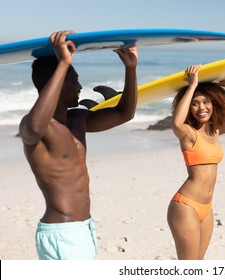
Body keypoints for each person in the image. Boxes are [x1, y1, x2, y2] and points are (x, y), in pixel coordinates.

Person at [18, 30, 138, 260]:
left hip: (84, 227)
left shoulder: (78, 120)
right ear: (57, 82)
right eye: (74, 80)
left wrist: (130, 69)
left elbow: (124, 114)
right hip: (62, 232)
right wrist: (63, 63)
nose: (80, 86)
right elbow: (34, 127)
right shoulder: (35, 128)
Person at [167, 64, 225, 259]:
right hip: (186, 206)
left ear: (214, 104)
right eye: (195, 103)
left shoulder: (215, 131)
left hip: (207, 208)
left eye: (206, 102)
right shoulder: (188, 133)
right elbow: (176, 123)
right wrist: (192, 85)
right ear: (189, 107)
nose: (201, 107)